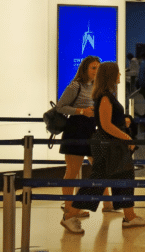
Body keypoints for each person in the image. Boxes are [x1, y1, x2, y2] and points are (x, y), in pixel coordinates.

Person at [62, 62, 145, 234]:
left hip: (112, 146)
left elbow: (108, 120)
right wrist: (126, 137)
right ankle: (69, 216)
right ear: (110, 76)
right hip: (108, 147)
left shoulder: (107, 95)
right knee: (97, 183)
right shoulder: (104, 96)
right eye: (117, 73)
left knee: (124, 178)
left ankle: (130, 216)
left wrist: (123, 121)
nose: (120, 76)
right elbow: (105, 125)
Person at [56, 56, 115, 217]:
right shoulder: (76, 85)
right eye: (93, 68)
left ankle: (108, 203)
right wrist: (82, 111)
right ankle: (69, 207)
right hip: (75, 129)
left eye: (98, 68)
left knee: (100, 167)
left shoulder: (98, 87)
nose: (96, 71)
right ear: (85, 69)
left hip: (90, 129)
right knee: (72, 170)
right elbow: (60, 107)